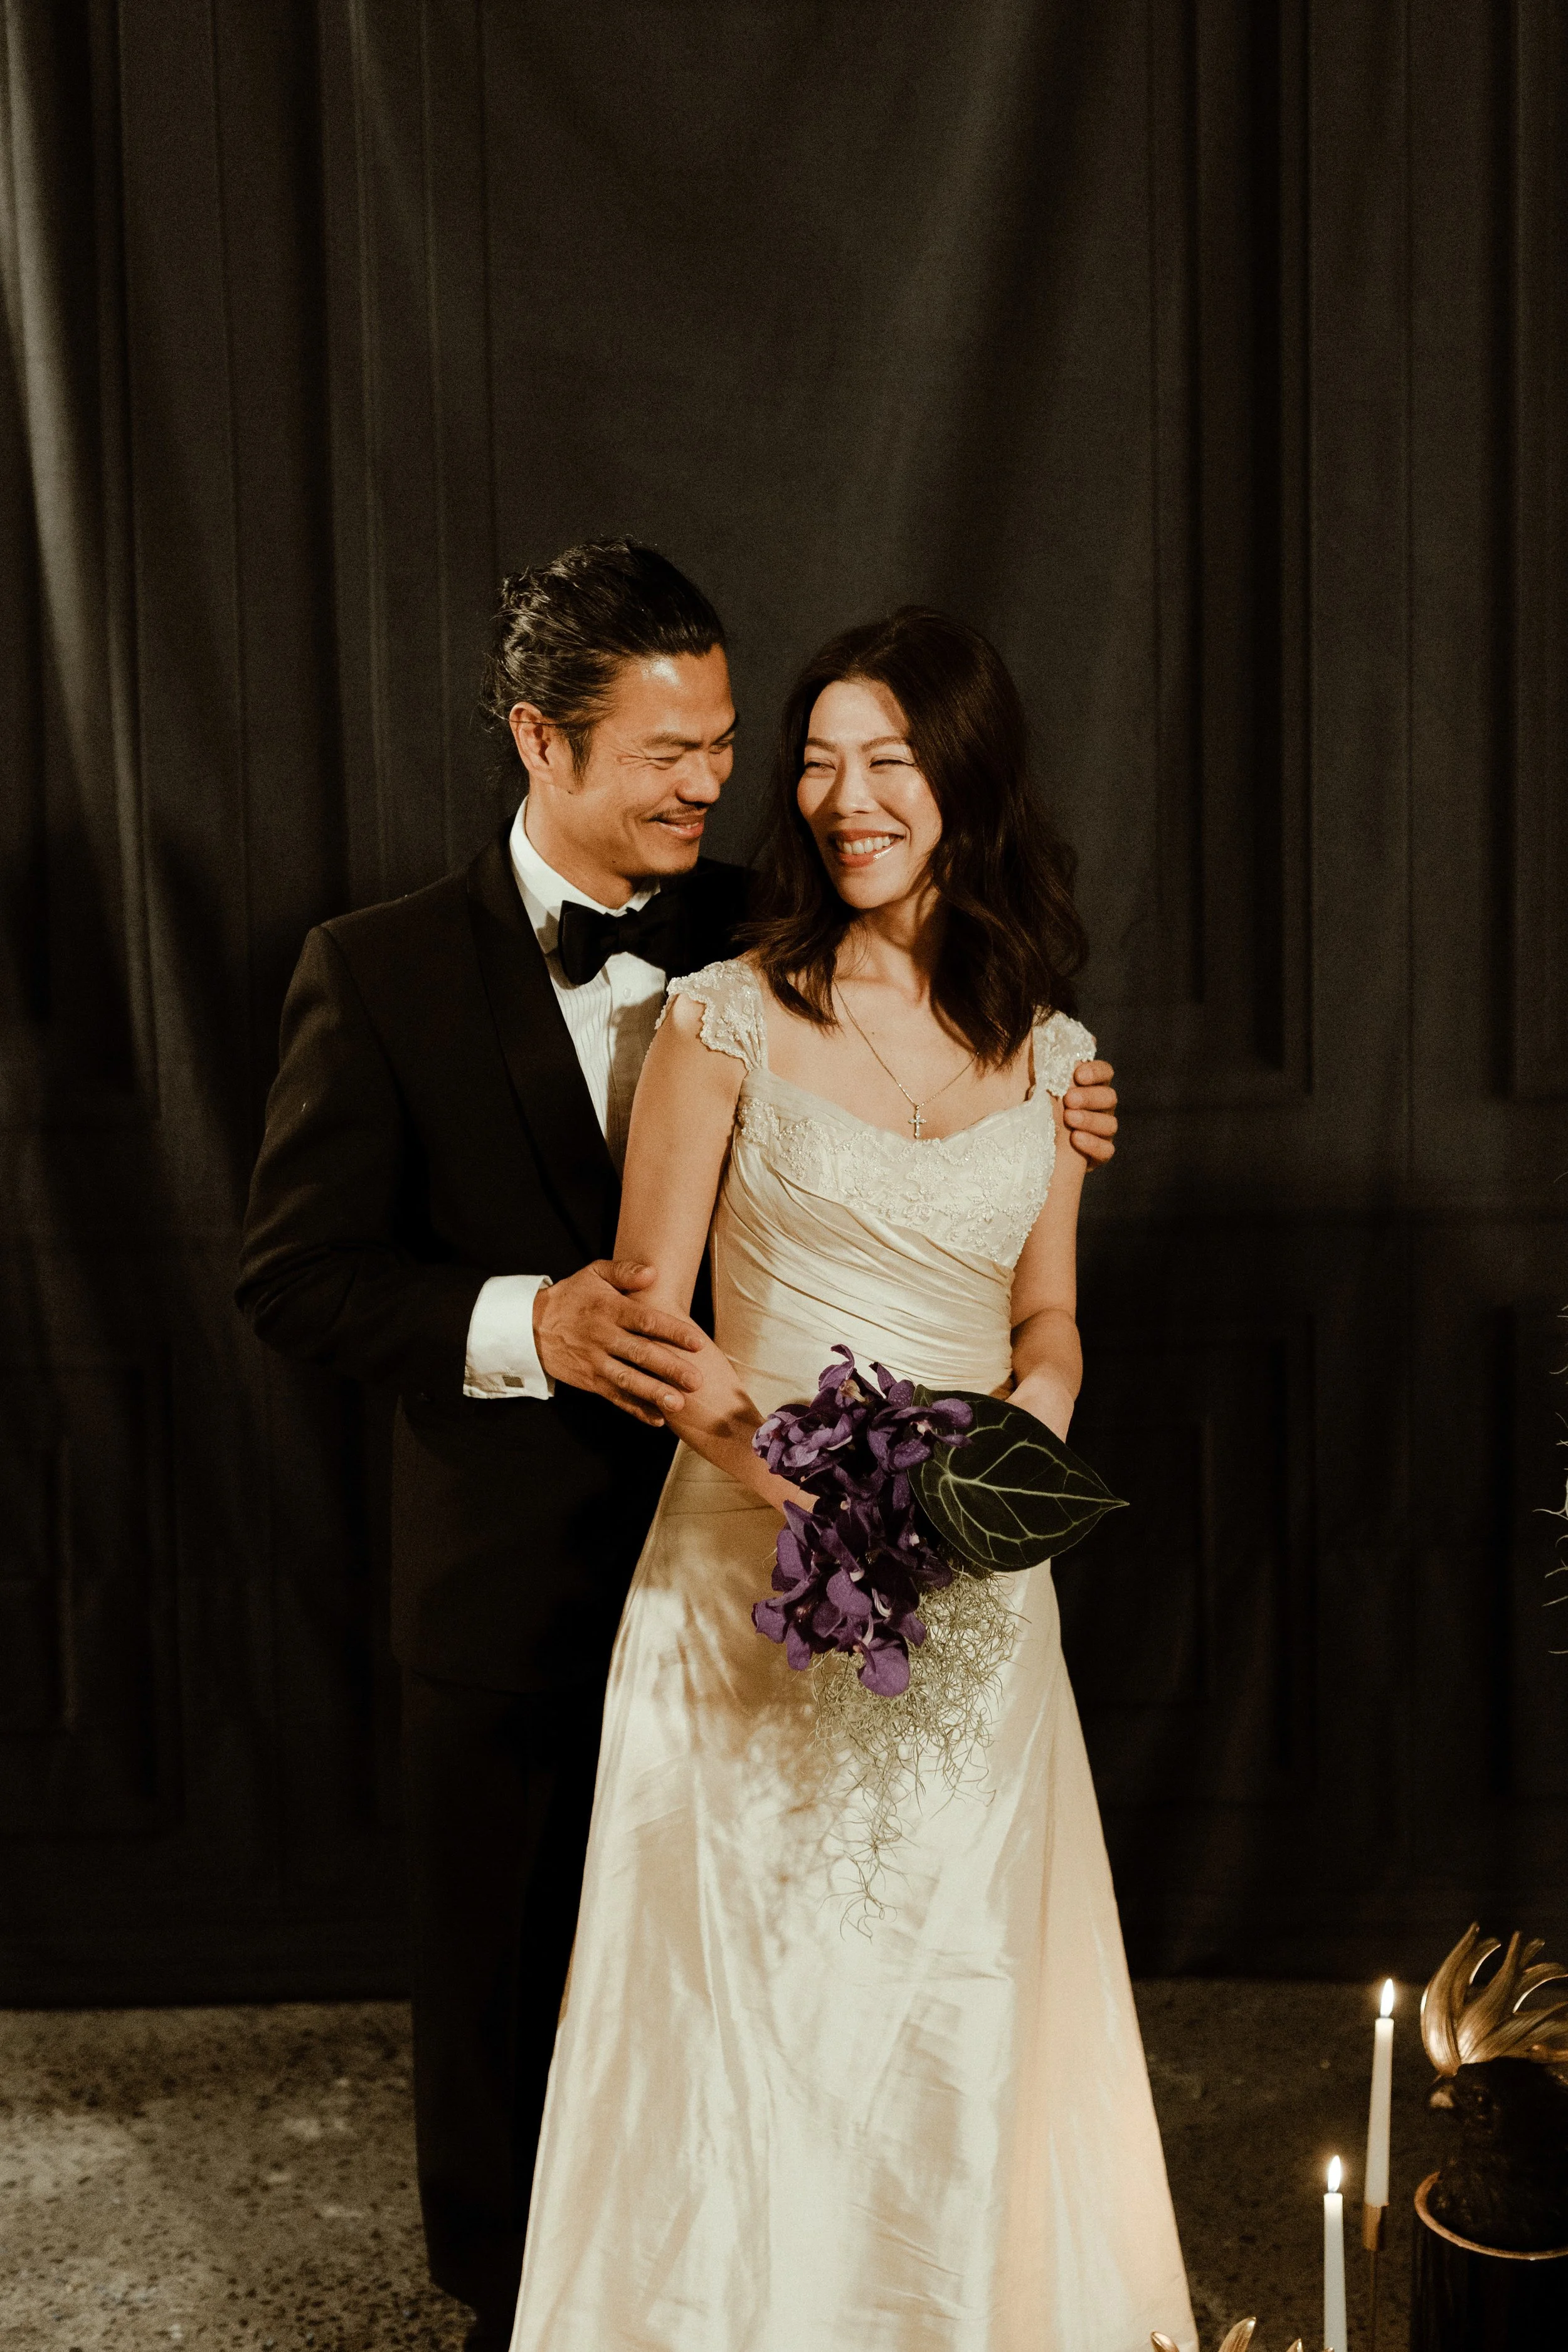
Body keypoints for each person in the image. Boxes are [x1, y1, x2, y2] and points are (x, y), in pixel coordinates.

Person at [235, 546, 1122, 2352]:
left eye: (728, 743)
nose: (711, 782)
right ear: (537, 743)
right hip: (517, 1563)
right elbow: (294, 1271)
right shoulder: (378, 969)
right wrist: (524, 1319)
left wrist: (1062, 1109)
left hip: (780, 1547)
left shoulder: (768, 924)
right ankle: (520, 2308)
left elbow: (920, 1030)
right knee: (507, 1985)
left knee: (790, 1996)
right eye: (667, 750)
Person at [509, 607, 1191, 2351]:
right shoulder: (720, 1017)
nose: (839, 794)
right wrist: (804, 1478)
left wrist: (1016, 1424)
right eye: (814, 758)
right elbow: (651, 1318)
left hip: (973, 1585)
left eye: (883, 757)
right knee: (749, 2008)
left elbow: (1046, 1312)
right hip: (749, 1563)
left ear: (963, 777)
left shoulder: (1053, 1054)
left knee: (956, 1989)